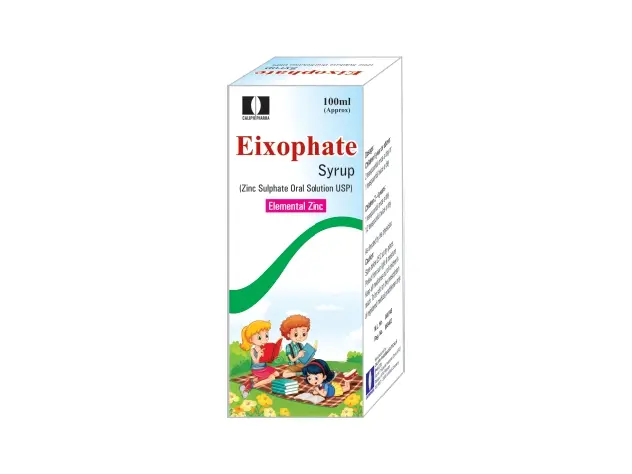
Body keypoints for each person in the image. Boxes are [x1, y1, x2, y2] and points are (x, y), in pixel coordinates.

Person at [239, 320, 280, 398]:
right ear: (251, 340)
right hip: (257, 369)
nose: (265, 339)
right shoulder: (252, 350)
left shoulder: (264, 347)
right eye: (259, 337)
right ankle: (251, 386)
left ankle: (251, 381)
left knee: (277, 374)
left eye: (266, 335)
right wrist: (258, 356)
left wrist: (275, 352)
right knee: (272, 378)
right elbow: (255, 362)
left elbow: (268, 359)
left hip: (264, 367)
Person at [279, 314, 314, 378]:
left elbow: (304, 358)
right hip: (293, 366)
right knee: (285, 374)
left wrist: (310, 355)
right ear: (288, 334)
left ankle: (306, 372)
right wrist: (298, 356)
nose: (300, 337)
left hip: (302, 364)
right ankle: (299, 373)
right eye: (296, 334)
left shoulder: (301, 345)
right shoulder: (288, 347)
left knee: (314, 364)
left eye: (303, 334)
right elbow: (292, 360)